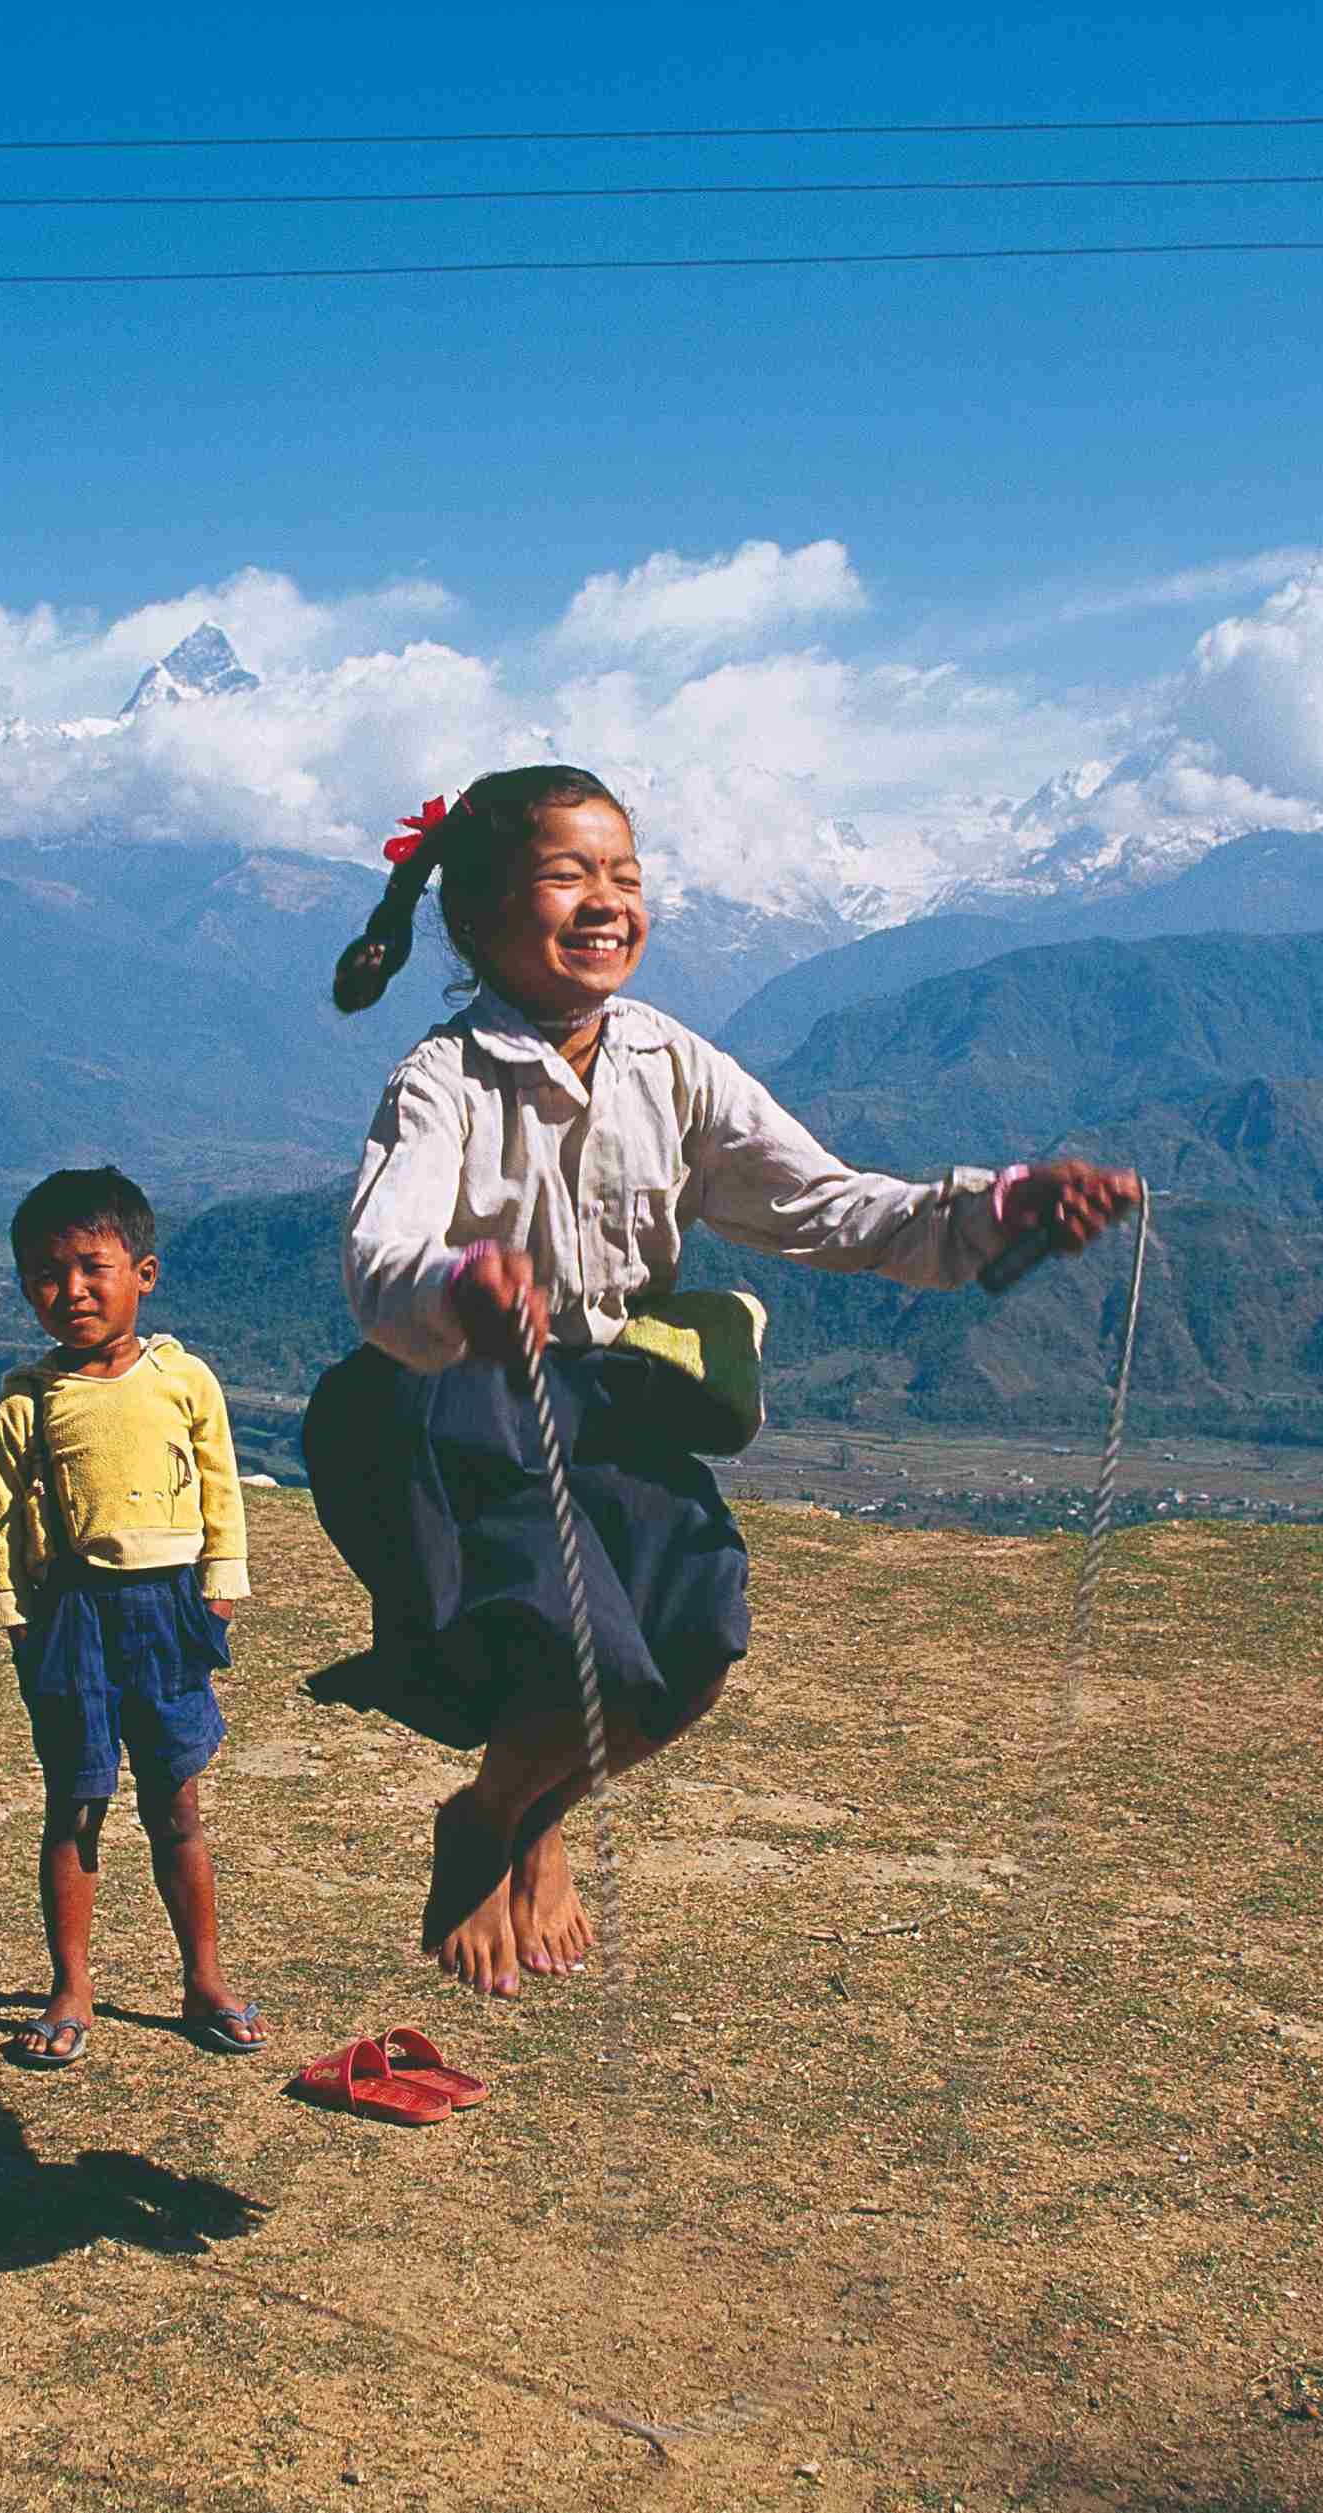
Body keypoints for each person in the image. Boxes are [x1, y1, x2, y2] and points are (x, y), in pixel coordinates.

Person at [304, 769, 1137, 1997]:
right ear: (478, 917)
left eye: (625, 877)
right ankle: (488, 1821)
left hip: (614, 1400)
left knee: (693, 1647)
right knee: (578, 1650)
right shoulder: (442, 1081)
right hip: (463, 1398)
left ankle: (528, 1816)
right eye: (567, 876)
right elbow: (382, 1259)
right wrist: (460, 1286)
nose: (605, 903)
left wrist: (997, 1207)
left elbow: (827, 1205)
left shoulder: (671, 1062)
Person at [0, 1166, 263, 2068]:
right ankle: (71, 1985)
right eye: (46, 1275)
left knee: (175, 1804)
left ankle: (203, 1978)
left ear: (143, 1272)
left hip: (168, 1612)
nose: (70, 1292)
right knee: (75, 1805)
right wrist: (13, 1612)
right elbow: (4, 1514)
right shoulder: (27, 1398)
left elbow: (221, 1483)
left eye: (91, 1267)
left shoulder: (183, 1379)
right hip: (68, 1619)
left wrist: (220, 1585)